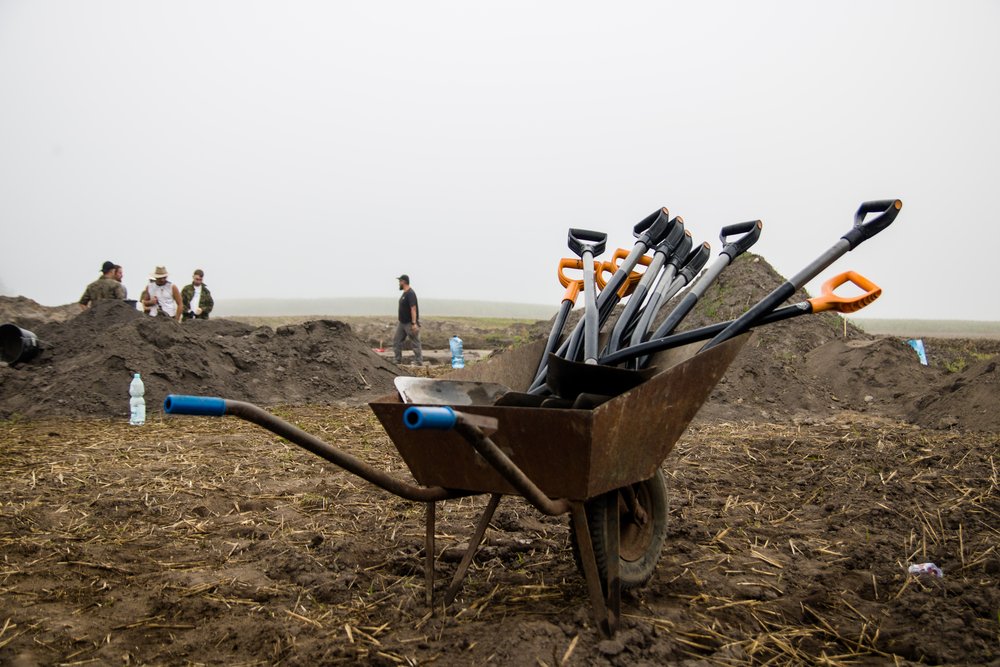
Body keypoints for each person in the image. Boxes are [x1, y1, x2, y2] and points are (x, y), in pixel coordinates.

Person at [393, 274, 422, 365]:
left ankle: (418, 361)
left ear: (403, 282)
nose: (399, 283)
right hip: (402, 323)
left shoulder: (410, 293)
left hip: (409, 323)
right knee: (396, 341)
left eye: (400, 281)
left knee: (415, 342)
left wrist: (414, 323)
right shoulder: (404, 293)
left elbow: (413, 308)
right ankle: (397, 360)